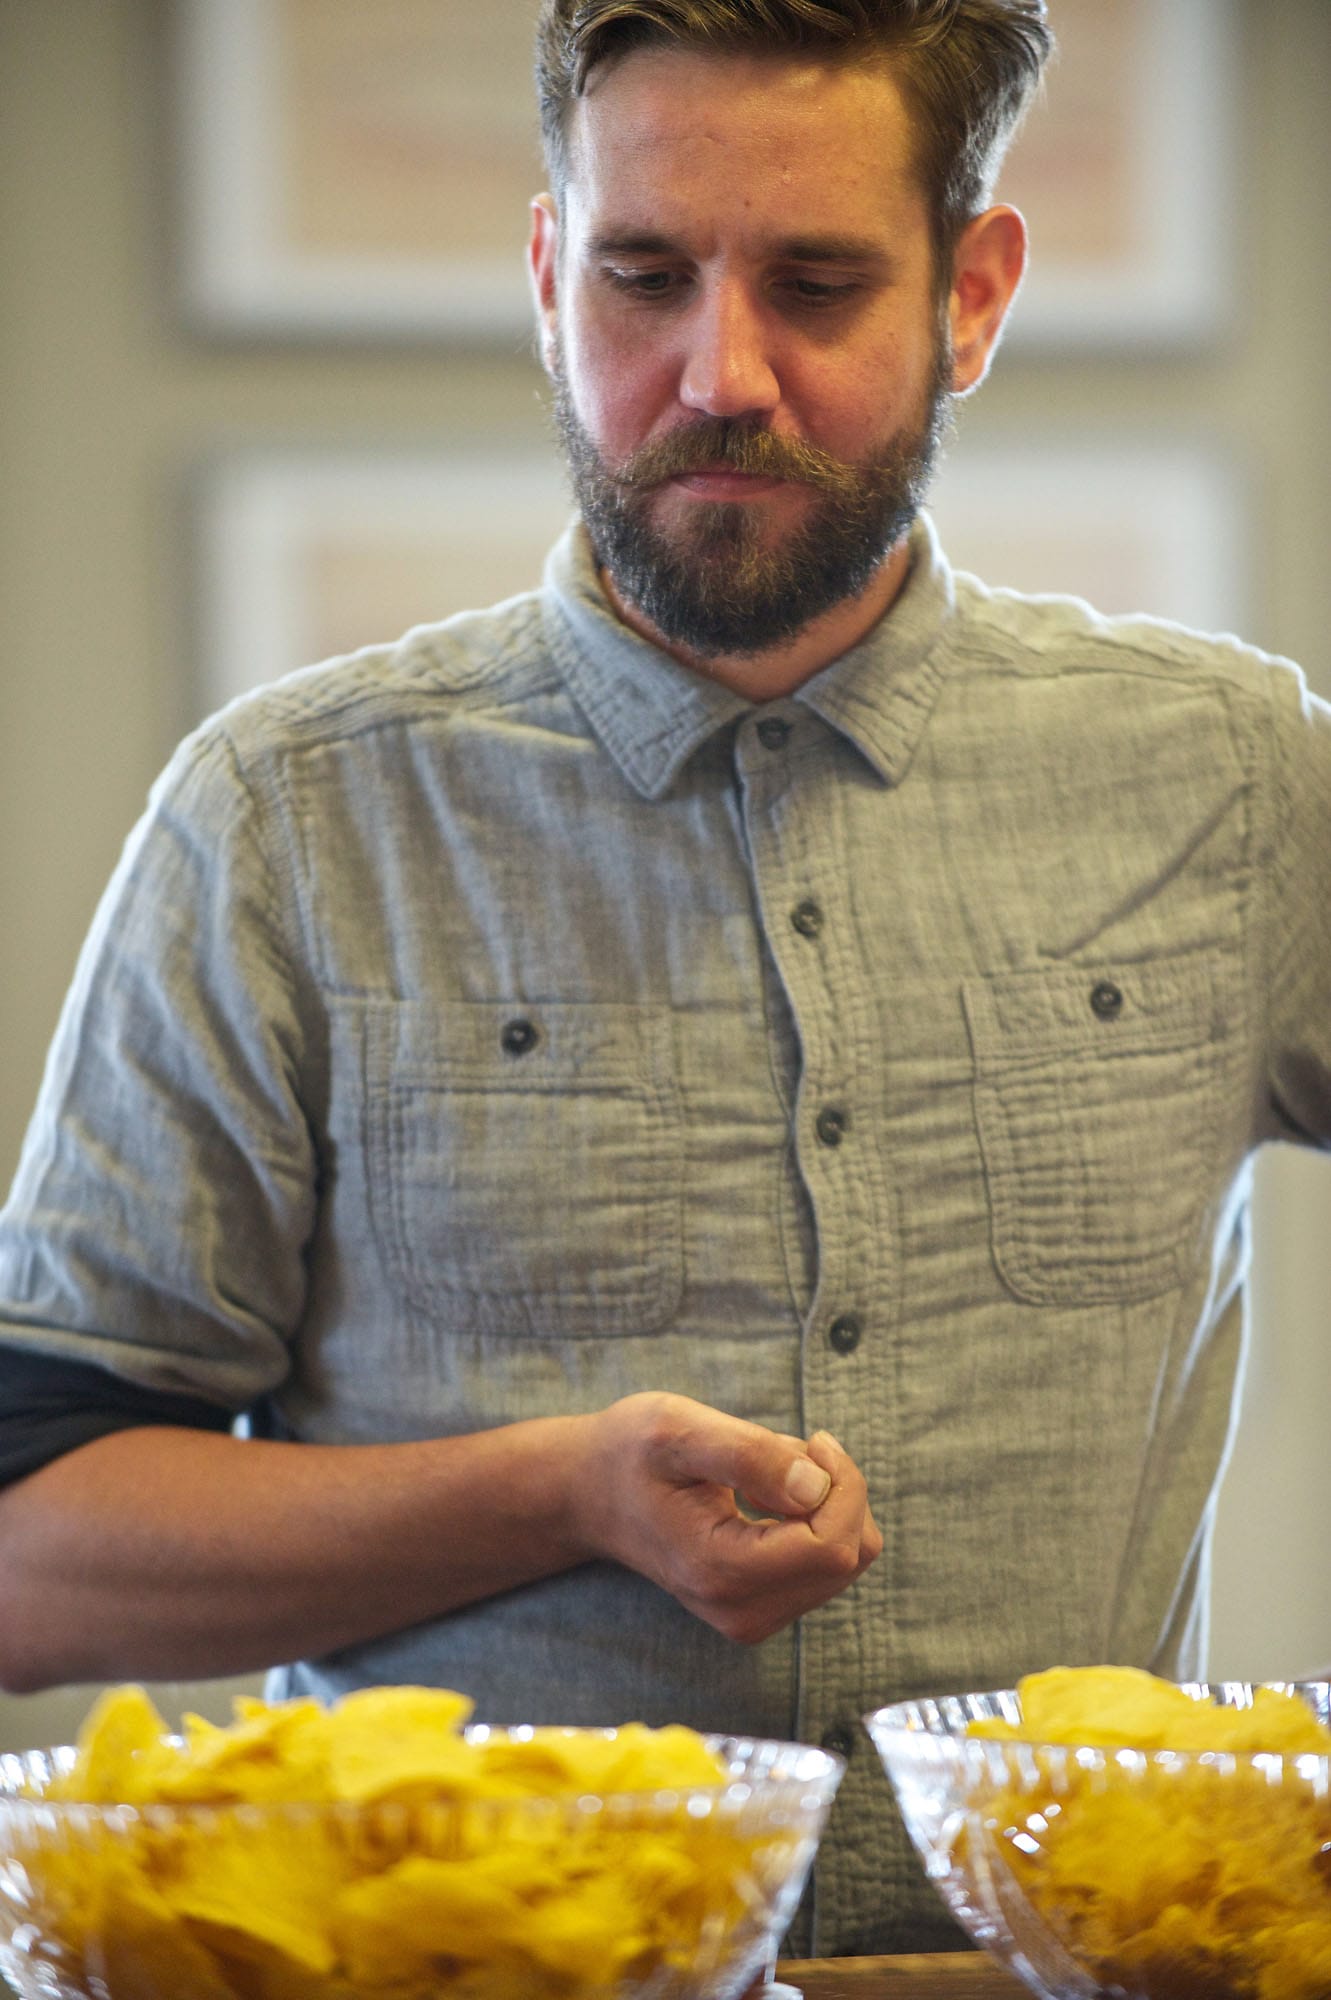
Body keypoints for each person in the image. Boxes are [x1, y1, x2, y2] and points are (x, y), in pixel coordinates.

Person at [0, 0, 1328, 1958]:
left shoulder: (1236, 777)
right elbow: (30, 1556)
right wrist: (557, 1492)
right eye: (642, 276)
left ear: (972, 294)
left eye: (815, 283)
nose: (719, 372)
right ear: (549, 275)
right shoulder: (285, 822)